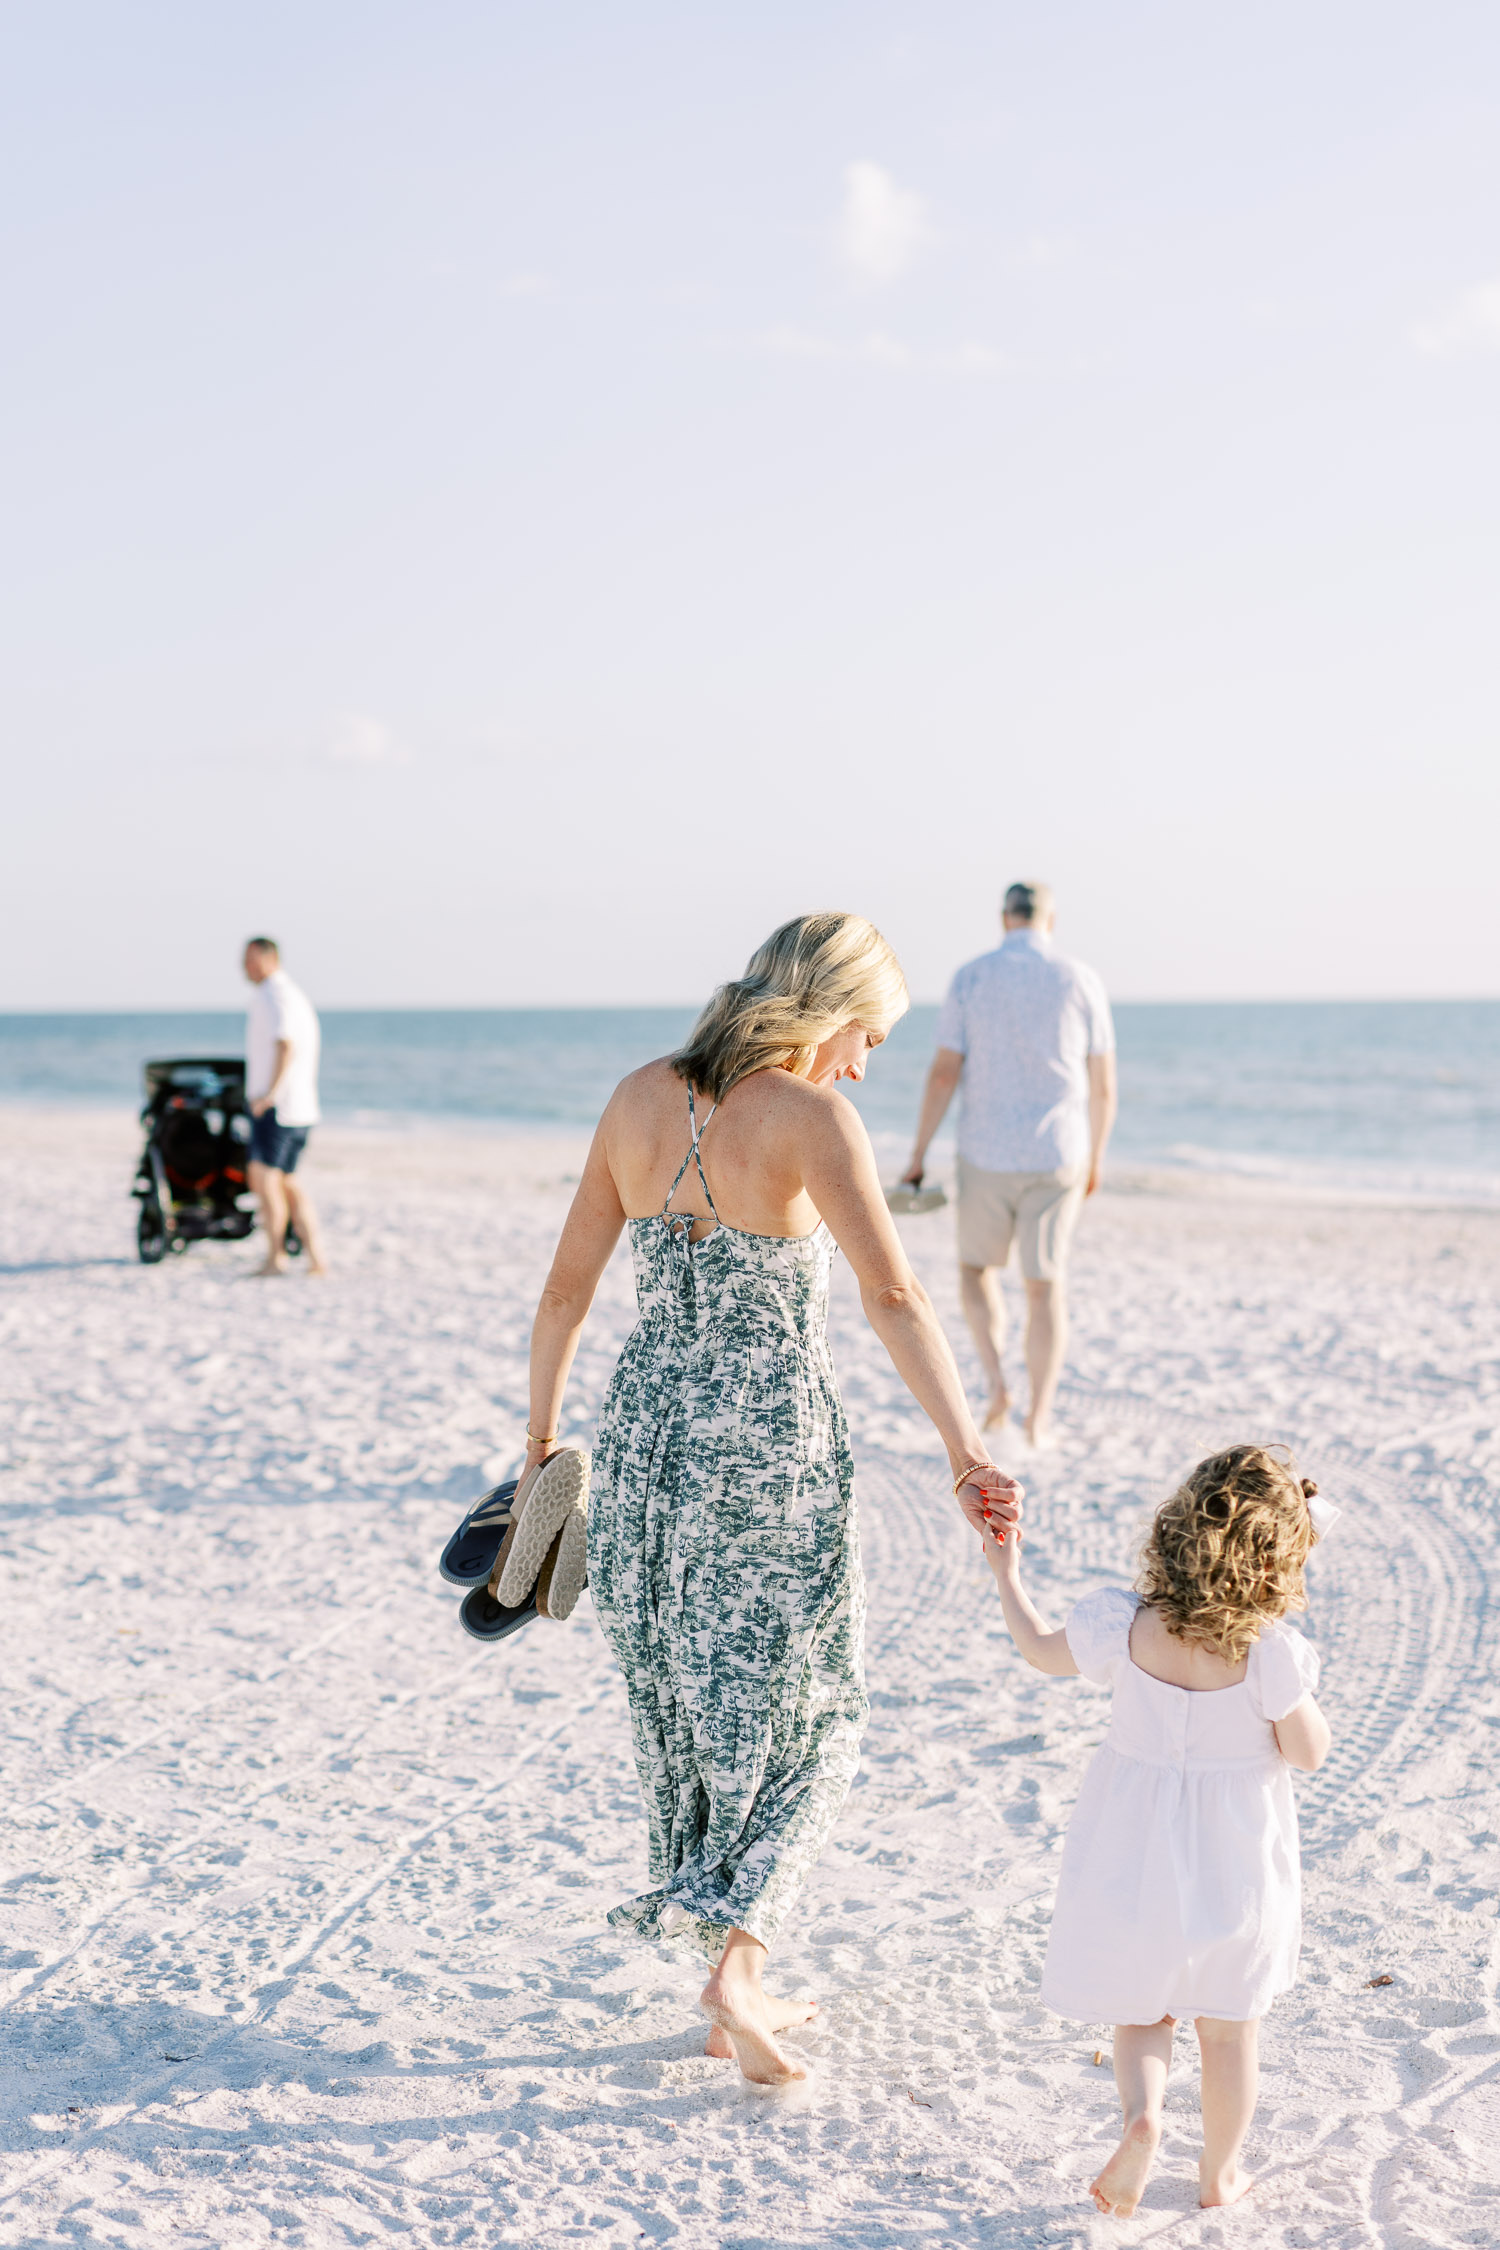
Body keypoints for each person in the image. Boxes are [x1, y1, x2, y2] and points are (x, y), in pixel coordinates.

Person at [509, 912, 1019, 2085]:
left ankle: (736, 1966)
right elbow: (895, 1297)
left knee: (694, 1708)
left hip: (643, 1445)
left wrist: (541, 1445)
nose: (864, 1065)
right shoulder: (812, 1119)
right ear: (826, 1007)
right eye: (868, 1037)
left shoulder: (639, 1098)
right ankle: (737, 1970)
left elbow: (561, 1295)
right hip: (767, 1453)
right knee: (818, 1714)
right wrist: (964, 1452)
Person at [975, 1445, 1333, 2217]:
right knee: (1230, 2031)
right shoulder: (1268, 1652)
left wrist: (1007, 1573)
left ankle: (1143, 2118)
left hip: (1131, 1851)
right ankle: (1219, 2174)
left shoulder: (1124, 1625)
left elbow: (1040, 1651)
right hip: (1233, 1865)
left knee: (1142, 2011)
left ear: (1174, 1532)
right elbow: (1308, 1753)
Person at [901, 881, 1116, 1447]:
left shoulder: (971, 976)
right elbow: (1104, 1086)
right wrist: (1095, 1157)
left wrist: (919, 1153)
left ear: (1005, 918)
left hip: (986, 1151)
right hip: (1058, 1153)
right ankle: (1039, 1416)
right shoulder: (1081, 978)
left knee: (977, 1272)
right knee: (1045, 1286)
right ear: (1051, 919)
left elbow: (945, 1071)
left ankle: (997, 1383)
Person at [242, 936, 327, 1277]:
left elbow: (285, 1044)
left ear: (267, 959)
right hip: (302, 1107)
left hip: (280, 1107)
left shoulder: (274, 994)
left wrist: (268, 1095)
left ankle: (275, 1258)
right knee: (289, 1182)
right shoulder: (293, 994)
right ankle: (317, 1259)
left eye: (249, 959)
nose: (244, 967)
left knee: (266, 1180)